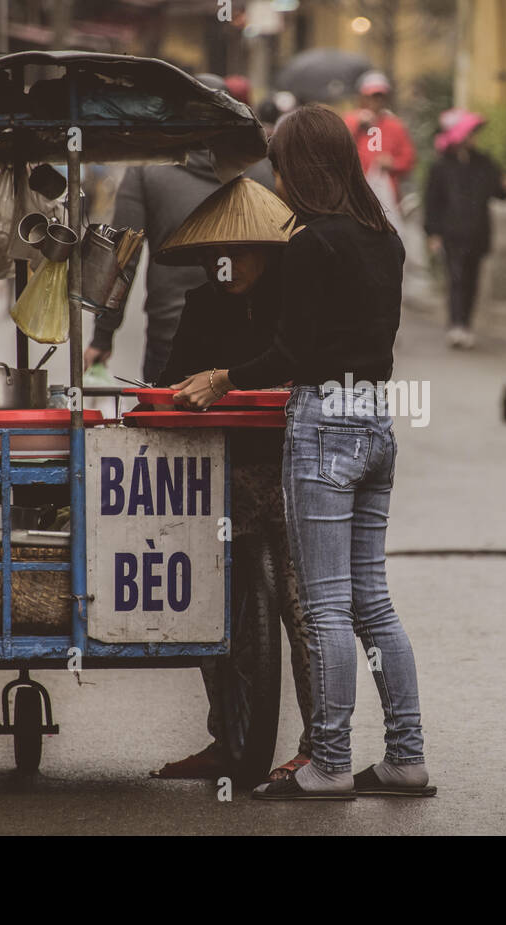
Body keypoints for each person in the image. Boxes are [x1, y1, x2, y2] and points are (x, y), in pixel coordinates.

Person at [171, 103, 434, 801]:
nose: (276, 179)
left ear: (302, 168)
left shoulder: (313, 244)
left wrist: (224, 377)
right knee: (373, 603)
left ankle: (330, 761)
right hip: (377, 418)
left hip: (324, 425)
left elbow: (295, 352)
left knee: (324, 607)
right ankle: (406, 756)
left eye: (281, 165)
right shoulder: (385, 238)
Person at [144, 177, 316, 784]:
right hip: (216, 474)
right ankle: (226, 736)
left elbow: (301, 367)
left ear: (269, 253)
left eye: (242, 252)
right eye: (220, 254)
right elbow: (170, 378)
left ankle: (318, 746)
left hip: (290, 471)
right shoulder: (201, 306)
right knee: (209, 606)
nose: (229, 264)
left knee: (304, 609)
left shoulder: (297, 304)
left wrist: (232, 378)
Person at [84, 74, 275, 382]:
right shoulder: (262, 171)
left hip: (170, 337)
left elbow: (122, 256)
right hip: (253, 344)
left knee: (170, 424)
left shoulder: (147, 170)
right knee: (240, 428)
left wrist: (103, 337)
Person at [423, 109, 506, 349]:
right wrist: (433, 232)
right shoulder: (441, 167)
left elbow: (499, 192)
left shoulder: (484, 163)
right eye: (470, 133)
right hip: (451, 233)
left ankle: (465, 324)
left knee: (472, 279)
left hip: (478, 232)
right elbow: (432, 201)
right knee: (455, 278)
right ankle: (455, 324)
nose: (474, 138)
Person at [342, 71, 416, 201]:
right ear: (362, 97)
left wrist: (393, 163)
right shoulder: (350, 121)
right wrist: (356, 125)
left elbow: (408, 159)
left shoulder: (395, 125)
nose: (376, 101)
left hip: (386, 195)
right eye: (372, 96)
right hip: (354, 193)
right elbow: (338, 148)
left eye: (380, 96)